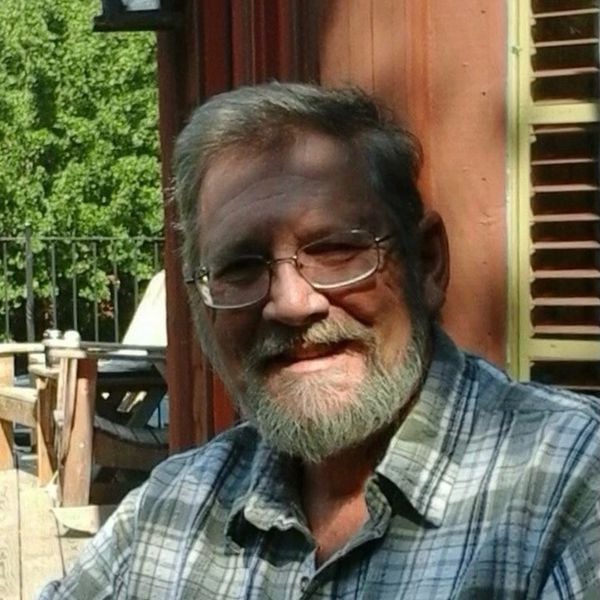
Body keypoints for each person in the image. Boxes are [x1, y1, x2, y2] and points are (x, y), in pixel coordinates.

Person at [38, 83, 600, 599]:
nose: (291, 303)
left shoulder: (569, 486)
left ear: (427, 264)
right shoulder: (170, 512)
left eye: (335, 250)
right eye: (240, 266)